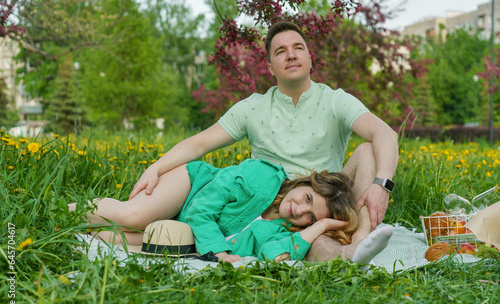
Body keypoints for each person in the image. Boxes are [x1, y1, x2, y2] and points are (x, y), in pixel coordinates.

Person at [128, 21, 399, 262]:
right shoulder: (253, 107)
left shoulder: (335, 100)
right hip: (270, 204)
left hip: (322, 198)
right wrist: (156, 167)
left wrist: (382, 183)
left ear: (310, 58)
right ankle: (346, 255)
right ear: (270, 67)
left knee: (367, 150)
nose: (291, 54)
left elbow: (386, 134)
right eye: (281, 51)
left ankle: (361, 241)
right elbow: (200, 144)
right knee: (137, 221)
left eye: (298, 48)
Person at [69, 158, 392, 265]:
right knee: (132, 217)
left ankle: (70, 229)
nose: (300, 210)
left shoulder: (284, 229)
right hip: (190, 188)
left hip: (188, 228)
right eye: (307, 197)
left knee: (126, 240)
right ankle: (65, 210)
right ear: (304, 182)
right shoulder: (261, 175)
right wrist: (220, 252)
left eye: (311, 215)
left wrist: (319, 229)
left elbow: (271, 253)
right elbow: (202, 208)